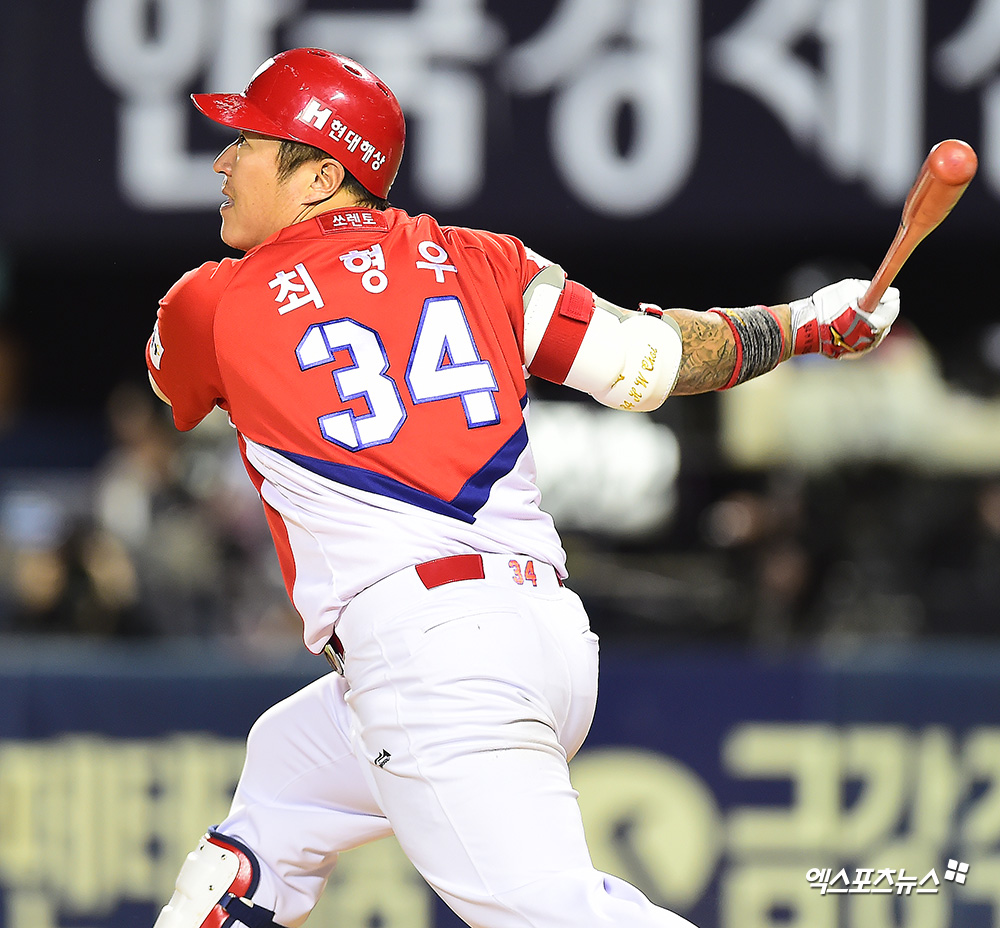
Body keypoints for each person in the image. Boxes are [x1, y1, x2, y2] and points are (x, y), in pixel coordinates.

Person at [146, 48, 899, 928]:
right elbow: (650, 362)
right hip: (542, 641)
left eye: (248, 141)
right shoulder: (485, 260)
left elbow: (176, 386)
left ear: (319, 175)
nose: (222, 161)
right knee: (274, 801)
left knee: (550, 914)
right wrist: (806, 324)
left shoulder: (211, 301)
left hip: (431, 658)